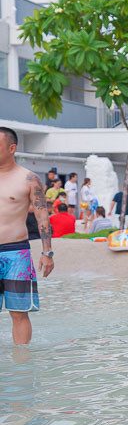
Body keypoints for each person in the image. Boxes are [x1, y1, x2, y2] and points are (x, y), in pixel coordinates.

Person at [0, 127, 53, 345]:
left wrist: (47, 252)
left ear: (12, 148)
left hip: (16, 253)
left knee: (19, 313)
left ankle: (22, 366)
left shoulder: (28, 178)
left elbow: (42, 215)